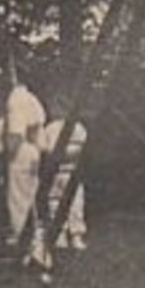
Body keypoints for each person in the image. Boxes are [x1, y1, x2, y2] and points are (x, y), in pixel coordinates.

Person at [1, 66, 48, 251]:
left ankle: (21, 233)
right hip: (33, 150)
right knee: (30, 192)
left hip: (21, 150)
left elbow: (16, 132)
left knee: (18, 194)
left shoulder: (17, 98)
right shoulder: (33, 99)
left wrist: (9, 156)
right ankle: (33, 232)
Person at [42, 100, 90, 251]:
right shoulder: (50, 128)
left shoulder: (78, 128)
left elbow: (82, 151)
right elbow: (46, 151)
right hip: (58, 172)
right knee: (57, 203)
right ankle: (60, 236)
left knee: (73, 203)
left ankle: (75, 236)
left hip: (71, 171)